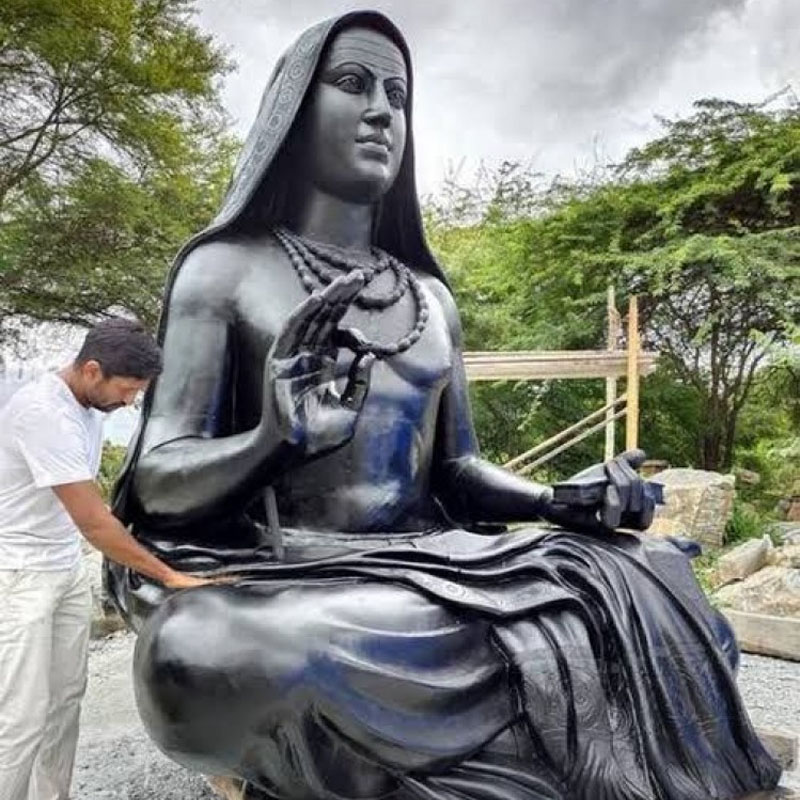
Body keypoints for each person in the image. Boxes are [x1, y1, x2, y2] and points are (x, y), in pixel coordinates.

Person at [107, 12, 780, 800]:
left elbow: (455, 469)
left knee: (658, 572)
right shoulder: (222, 271)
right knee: (209, 655)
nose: (382, 112)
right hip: (293, 574)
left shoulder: (426, 295)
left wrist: (564, 499)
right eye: (353, 84)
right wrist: (271, 442)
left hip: (427, 567)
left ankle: (424, 759)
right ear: (292, 111)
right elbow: (155, 480)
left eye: (398, 95)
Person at [0, 318, 214, 800]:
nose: (130, 402)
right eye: (128, 390)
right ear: (92, 370)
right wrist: (168, 576)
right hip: (19, 577)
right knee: (19, 718)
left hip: (61, 568)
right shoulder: (43, 413)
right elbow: (94, 522)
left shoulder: (89, 408)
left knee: (64, 704)